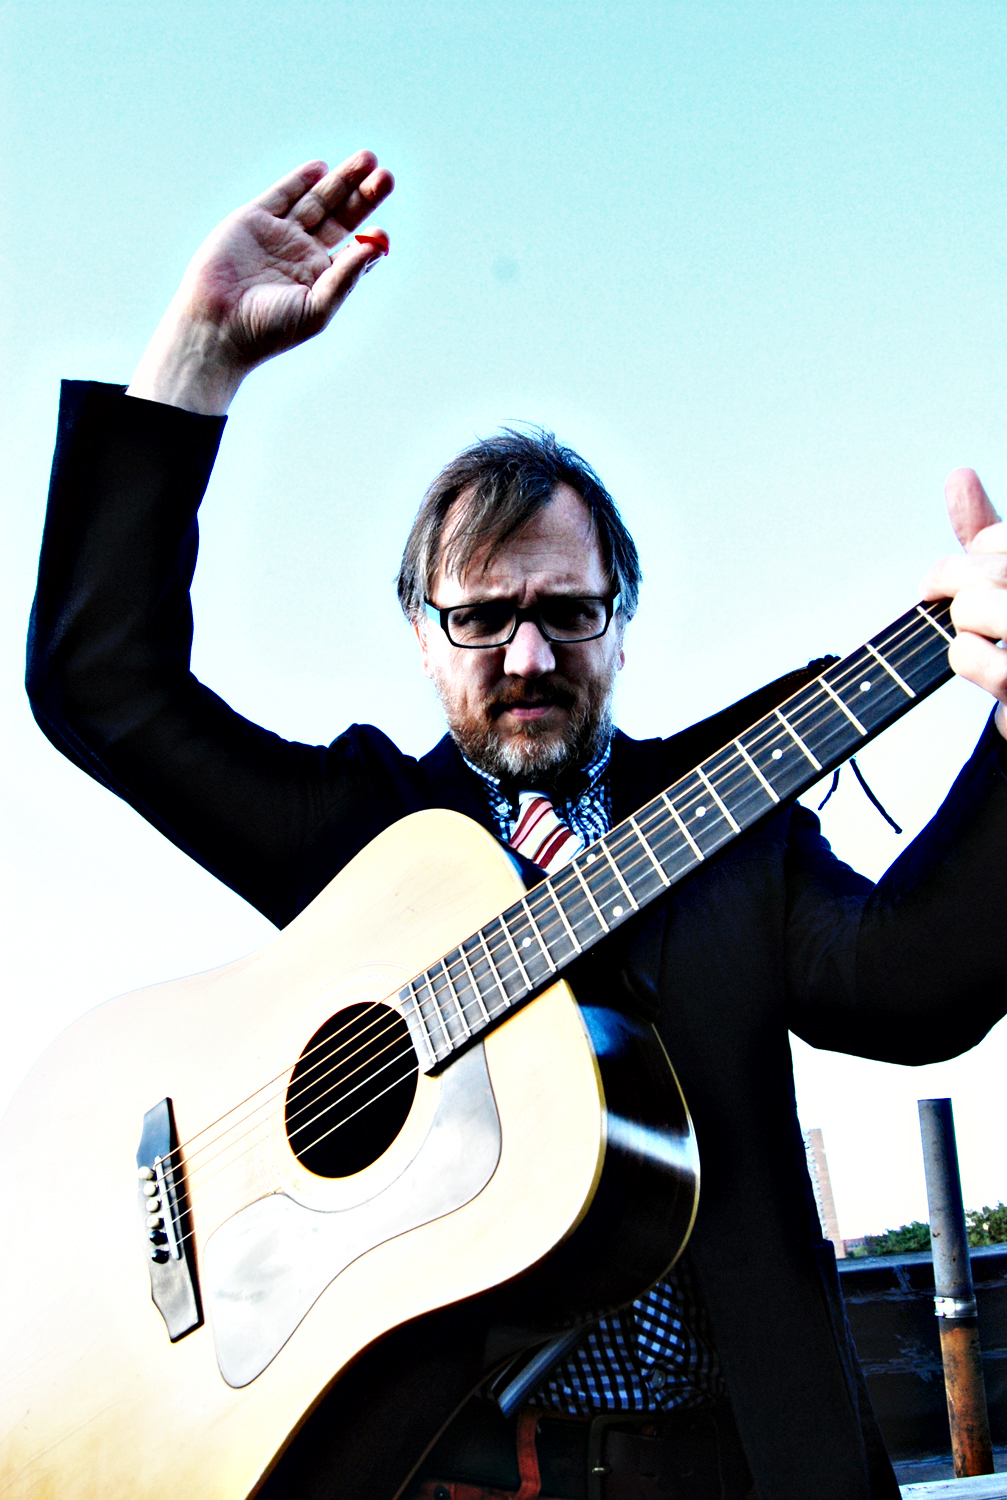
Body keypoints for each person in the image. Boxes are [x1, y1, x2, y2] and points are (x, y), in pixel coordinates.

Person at [25, 150, 1007, 1500]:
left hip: (744, 1470)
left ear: (620, 623)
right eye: (484, 617)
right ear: (425, 639)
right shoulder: (371, 843)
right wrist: (197, 356)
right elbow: (103, 689)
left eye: (567, 612)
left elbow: (914, 986)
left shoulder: (730, 822)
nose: (529, 656)